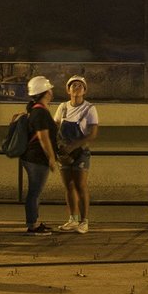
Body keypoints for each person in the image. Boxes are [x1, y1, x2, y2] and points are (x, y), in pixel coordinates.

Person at [53, 75, 99, 233]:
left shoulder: (89, 108)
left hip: (81, 152)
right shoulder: (62, 107)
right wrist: (59, 147)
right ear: (68, 90)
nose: (76, 87)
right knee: (69, 185)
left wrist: (73, 147)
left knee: (81, 185)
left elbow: (92, 134)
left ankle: (84, 221)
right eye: (73, 85)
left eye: (80, 85)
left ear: (85, 90)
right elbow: (55, 126)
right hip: (64, 152)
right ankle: (73, 219)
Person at [18, 75, 59, 236]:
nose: (51, 91)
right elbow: (43, 137)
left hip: (32, 157)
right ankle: (32, 225)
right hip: (37, 158)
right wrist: (51, 158)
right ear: (45, 92)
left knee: (35, 192)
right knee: (35, 192)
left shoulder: (36, 110)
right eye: (49, 88)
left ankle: (34, 221)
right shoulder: (40, 112)